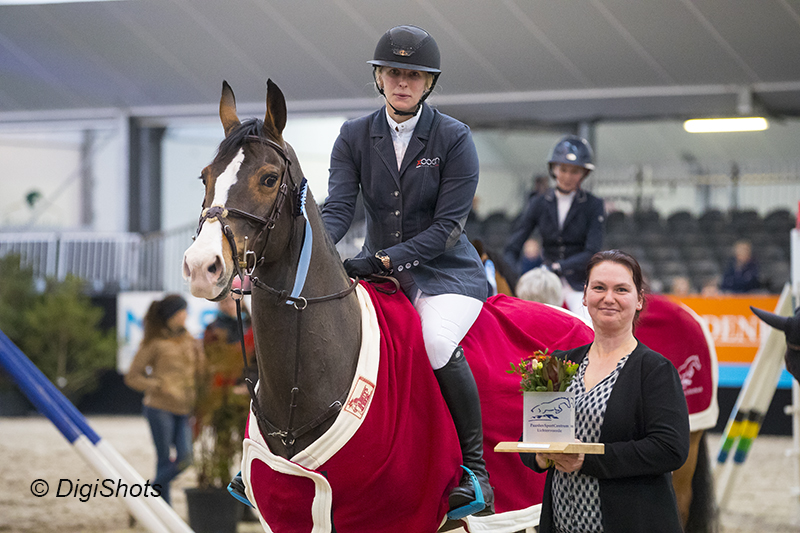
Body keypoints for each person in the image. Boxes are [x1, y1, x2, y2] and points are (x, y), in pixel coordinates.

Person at [320, 24, 493, 516]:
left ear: (428, 84)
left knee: (436, 343)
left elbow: (447, 230)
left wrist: (383, 260)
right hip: (380, 276)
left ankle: (476, 473)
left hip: (448, 275)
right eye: (394, 72)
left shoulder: (454, 137)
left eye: (414, 75)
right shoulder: (354, 135)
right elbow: (337, 212)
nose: (403, 82)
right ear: (379, 78)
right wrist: (315, 253)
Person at [520, 250, 690, 532]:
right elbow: (530, 436)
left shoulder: (655, 370)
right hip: (562, 523)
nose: (608, 298)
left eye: (621, 289)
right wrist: (541, 455)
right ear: (585, 296)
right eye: (599, 287)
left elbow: (670, 449)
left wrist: (587, 459)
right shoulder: (559, 363)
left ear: (639, 300)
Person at [503, 135, 605, 319]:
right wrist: (516, 277)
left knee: (588, 323)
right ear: (554, 169)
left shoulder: (593, 204)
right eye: (563, 169)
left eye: (574, 171)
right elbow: (514, 245)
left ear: (584, 173)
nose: (567, 176)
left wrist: (558, 267)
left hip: (578, 282)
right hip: (546, 282)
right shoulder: (539, 203)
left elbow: (592, 251)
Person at [125, 294, 204, 505]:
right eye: (182, 311)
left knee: (186, 458)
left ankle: (146, 495)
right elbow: (132, 377)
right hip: (159, 408)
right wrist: (157, 385)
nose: (186, 315)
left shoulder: (191, 340)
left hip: (184, 408)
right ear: (172, 315)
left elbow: (200, 371)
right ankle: (164, 508)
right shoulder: (155, 343)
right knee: (163, 459)